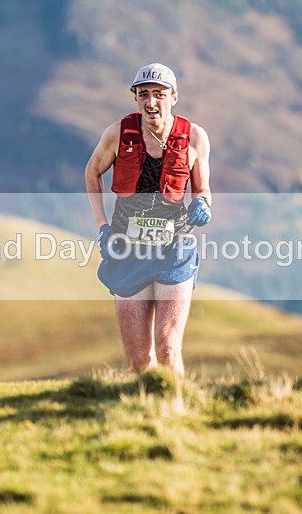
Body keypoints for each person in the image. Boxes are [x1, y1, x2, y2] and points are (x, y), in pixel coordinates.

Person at [85, 62, 212, 377]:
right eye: (144, 94)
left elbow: (203, 188)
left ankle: (177, 412)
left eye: (159, 94)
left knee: (168, 348)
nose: (151, 102)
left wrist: (204, 205)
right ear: (136, 98)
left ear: (174, 96)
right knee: (139, 360)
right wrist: (102, 226)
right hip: (128, 250)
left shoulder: (195, 137)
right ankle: (147, 416)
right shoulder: (117, 134)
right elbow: (92, 173)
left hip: (175, 250)